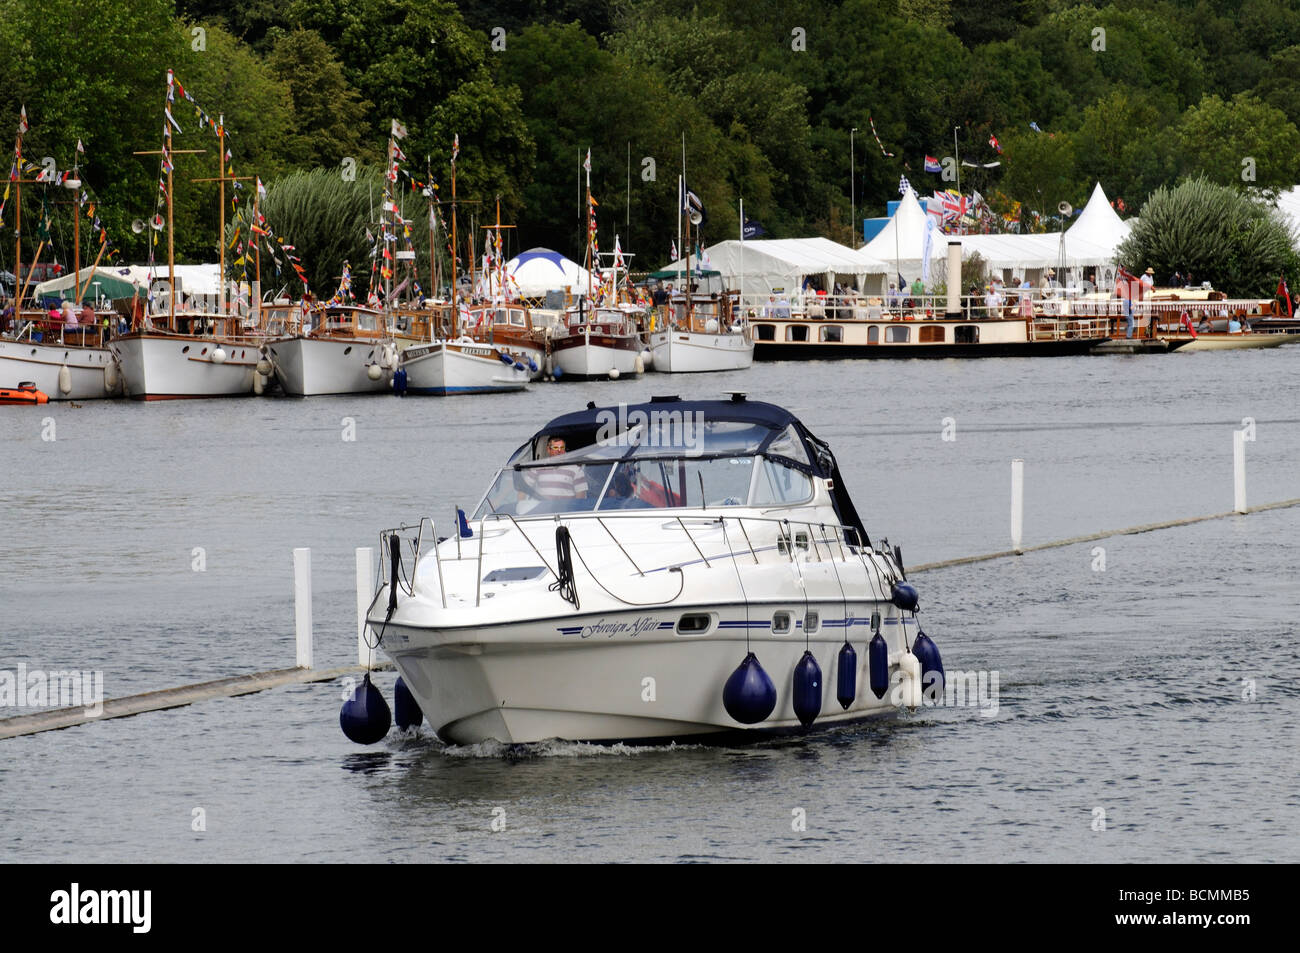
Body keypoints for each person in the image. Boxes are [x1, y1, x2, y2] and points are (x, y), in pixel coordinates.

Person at [532, 436, 589, 501]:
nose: (559, 450)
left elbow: (581, 494)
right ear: (548, 449)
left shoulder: (575, 469)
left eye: (562, 447)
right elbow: (523, 488)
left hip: (566, 509)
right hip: (543, 509)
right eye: (555, 447)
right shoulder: (537, 466)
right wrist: (520, 505)